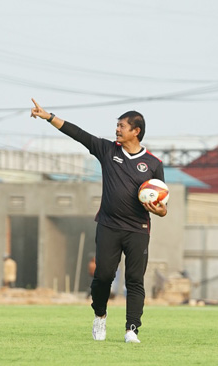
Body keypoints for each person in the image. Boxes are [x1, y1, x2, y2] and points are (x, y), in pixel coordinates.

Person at [30, 99, 167, 343]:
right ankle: (100, 315)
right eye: (117, 125)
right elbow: (78, 134)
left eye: (122, 126)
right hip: (109, 226)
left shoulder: (154, 164)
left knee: (135, 280)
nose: (117, 129)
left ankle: (131, 330)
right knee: (103, 276)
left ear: (136, 131)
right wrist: (48, 116)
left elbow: (162, 207)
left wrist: (158, 211)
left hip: (138, 229)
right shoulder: (108, 150)